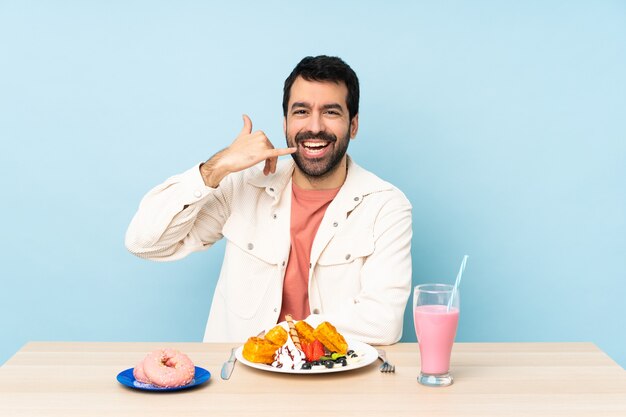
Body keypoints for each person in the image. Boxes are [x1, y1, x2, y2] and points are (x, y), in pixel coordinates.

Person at [125, 55, 412, 345]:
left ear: (353, 125)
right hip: (240, 382)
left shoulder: (385, 206)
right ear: (285, 122)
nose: (314, 126)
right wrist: (218, 167)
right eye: (301, 112)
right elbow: (144, 243)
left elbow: (383, 322)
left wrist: (283, 337)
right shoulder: (244, 185)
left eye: (331, 112)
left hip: (335, 382)